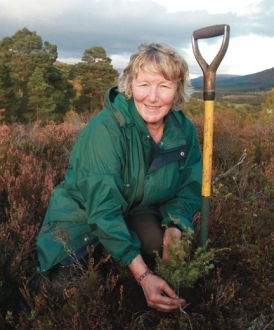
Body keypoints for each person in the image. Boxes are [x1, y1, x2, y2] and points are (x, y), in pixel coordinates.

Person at [34, 42, 202, 313]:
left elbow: (190, 187)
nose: (153, 97)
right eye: (144, 84)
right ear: (130, 85)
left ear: (178, 89)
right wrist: (144, 276)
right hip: (83, 216)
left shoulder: (183, 130)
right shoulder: (105, 129)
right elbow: (103, 209)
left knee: (164, 253)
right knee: (75, 290)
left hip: (135, 210)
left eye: (164, 86)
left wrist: (175, 226)